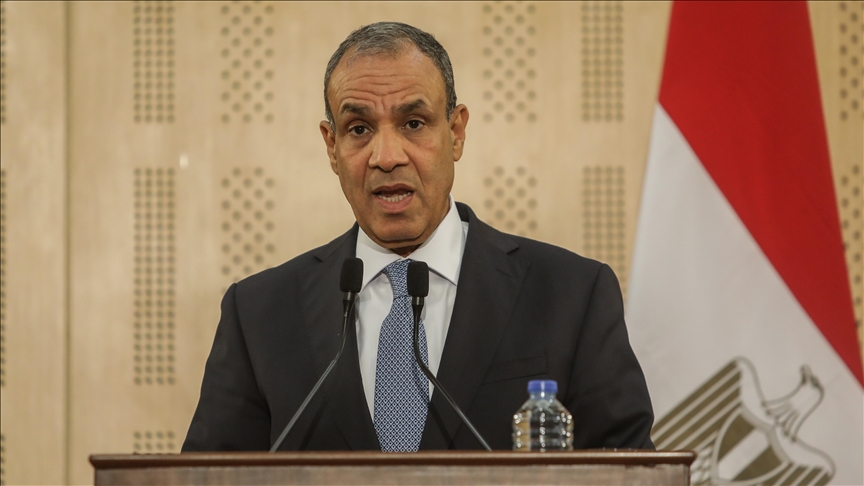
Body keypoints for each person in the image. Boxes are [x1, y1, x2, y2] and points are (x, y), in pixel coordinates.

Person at [183, 21, 654, 452]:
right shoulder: (260, 314)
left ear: (456, 132)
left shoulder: (571, 295)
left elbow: (631, 473)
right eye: (359, 128)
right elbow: (205, 478)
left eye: (413, 123)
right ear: (332, 146)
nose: (386, 156)